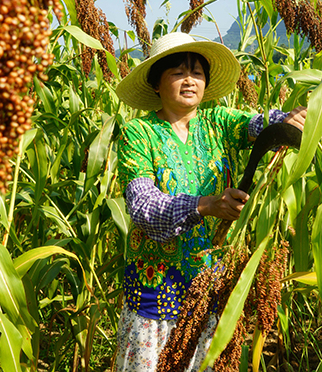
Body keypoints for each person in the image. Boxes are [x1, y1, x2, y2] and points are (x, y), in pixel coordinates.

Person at [113, 32, 305, 372]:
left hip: (211, 291)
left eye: (198, 73)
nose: (190, 80)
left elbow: (258, 125)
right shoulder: (138, 134)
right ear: (157, 83)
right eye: (178, 72)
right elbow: (143, 208)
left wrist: (289, 119)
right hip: (155, 298)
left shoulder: (219, 123)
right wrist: (205, 205)